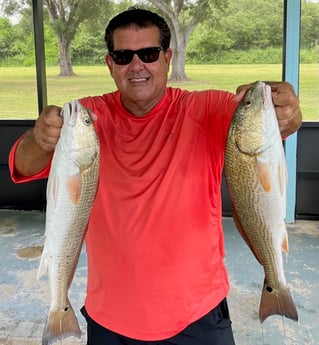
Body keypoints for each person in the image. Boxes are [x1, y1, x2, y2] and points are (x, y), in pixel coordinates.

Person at [9, 7, 302, 345]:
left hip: (199, 315)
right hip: (110, 318)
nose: (137, 66)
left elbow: (271, 127)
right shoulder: (87, 118)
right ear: (110, 64)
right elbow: (24, 163)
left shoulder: (205, 109)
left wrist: (287, 112)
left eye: (148, 54)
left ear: (167, 58)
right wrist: (40, 137)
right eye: (123, 56)